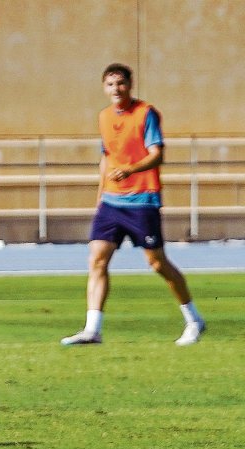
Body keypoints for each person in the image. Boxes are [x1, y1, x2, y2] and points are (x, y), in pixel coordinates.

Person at [61, 63, 205, 347]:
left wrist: (130, 169)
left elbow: (157, 154)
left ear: (130, 85)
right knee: (97, 259)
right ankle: (93, 329)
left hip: (142, 200)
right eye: (111, 84)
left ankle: (194, 319)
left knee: (156, 263)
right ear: (104, 88)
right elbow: (106, 158)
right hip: (111, 203)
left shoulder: (146, 114)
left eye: (121, 83)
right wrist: (100, 195)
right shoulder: (103, 117)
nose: (116, 89)